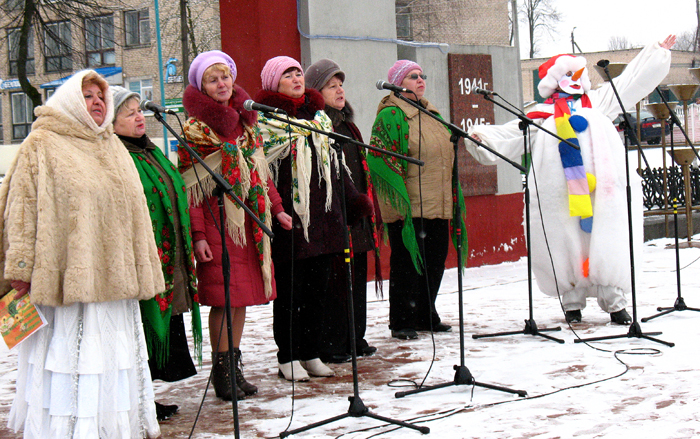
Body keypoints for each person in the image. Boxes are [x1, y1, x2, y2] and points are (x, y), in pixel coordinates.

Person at [467, 35, 676, 324]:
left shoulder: (598, 103)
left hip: (602, 194)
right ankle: (572, 303)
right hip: (561, 196)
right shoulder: (540, 116)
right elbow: (512, 133)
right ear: (555, 81)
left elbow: (630, 83)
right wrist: (482, 137)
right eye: (569, 75)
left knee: (605, 242)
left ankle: (615, 303)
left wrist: (656, 54)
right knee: (567, 243)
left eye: (578, 74)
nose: (576, 79)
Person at [1, 70, 164, 437]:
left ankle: (112, 427)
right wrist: (21, 267)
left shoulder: (112, 144)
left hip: (116, 280)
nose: (96, 102)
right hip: (66, 280)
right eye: (87, 95)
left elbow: (134, 210)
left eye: (100, 96)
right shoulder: (42, 143)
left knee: (108, 362)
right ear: (70, 99)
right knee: (70, 363)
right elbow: (22, 210)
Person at [179, 50, 291, 400]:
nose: (222, 83)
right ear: (202, 87)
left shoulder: (246, 124)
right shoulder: (195, 131)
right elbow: (192, 190)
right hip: (217, 222)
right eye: (213, 79)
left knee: (239, 299)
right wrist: (198, 236)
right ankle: (222, 372)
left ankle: (233, 366)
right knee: (224, 300)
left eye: (225, 76)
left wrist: (277, 208)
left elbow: (260, 172)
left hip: (248, 223)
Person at [255, 56, 373, 381]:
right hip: (292, 218)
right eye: (287, 74)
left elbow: (336, 166)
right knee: (292, 291)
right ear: (272, 83)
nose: (295, 78)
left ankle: (311, 352)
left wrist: (353, 201)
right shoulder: (266, 122)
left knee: (318, 289)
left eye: (297, 72)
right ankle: (288, 355)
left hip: (325, 218)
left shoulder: (320, 119)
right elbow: (262, 172)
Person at [111, 86, 202, 421]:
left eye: (140, 110)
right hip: (139, 262)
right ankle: (136, 400)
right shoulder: (116, 156)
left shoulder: (150, 152)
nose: (140, 117)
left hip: (167, 260)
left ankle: (144, 396)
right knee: (139, 330)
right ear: (111, 121)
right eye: (129, 112)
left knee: (153, 329)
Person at [368, 60, 468, 340]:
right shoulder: (392, 114)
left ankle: (425, 313)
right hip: (410, 206)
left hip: (438, 202)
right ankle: (402, 319)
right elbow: (383, 163)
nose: (420, 80)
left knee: (435, 261)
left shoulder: (431, 113)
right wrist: (398, 205)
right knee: (407, 264)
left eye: (422, 75)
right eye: (413, 77)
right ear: (398, 83)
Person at [305, 59, 380, 362]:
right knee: (336, 282)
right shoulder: (318, 126)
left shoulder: (348, 126)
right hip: (334, 216)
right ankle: (332, 342)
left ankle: (354, 336)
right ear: (316, 92)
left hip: (356, 213)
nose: (339, 90)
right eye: (331, 85)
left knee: (356, 277)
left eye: (340, 84)